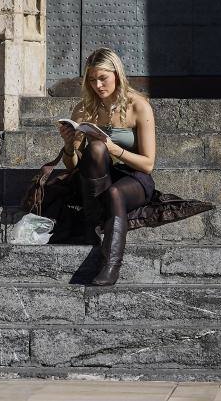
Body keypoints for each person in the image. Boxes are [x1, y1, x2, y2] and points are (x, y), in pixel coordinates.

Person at [58, 48, 156, 286]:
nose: (98, 85)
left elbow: (148, 163)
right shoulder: (84, 109)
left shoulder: (138, 106)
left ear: (117, 75)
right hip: (97, 177)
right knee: (96, 149)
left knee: (114, 191)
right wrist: (69, 145)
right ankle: (95, 216)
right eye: (92, 80)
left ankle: (111, 265)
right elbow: (73, 166)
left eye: (103, 78)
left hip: (133, 178)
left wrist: (117, 150)